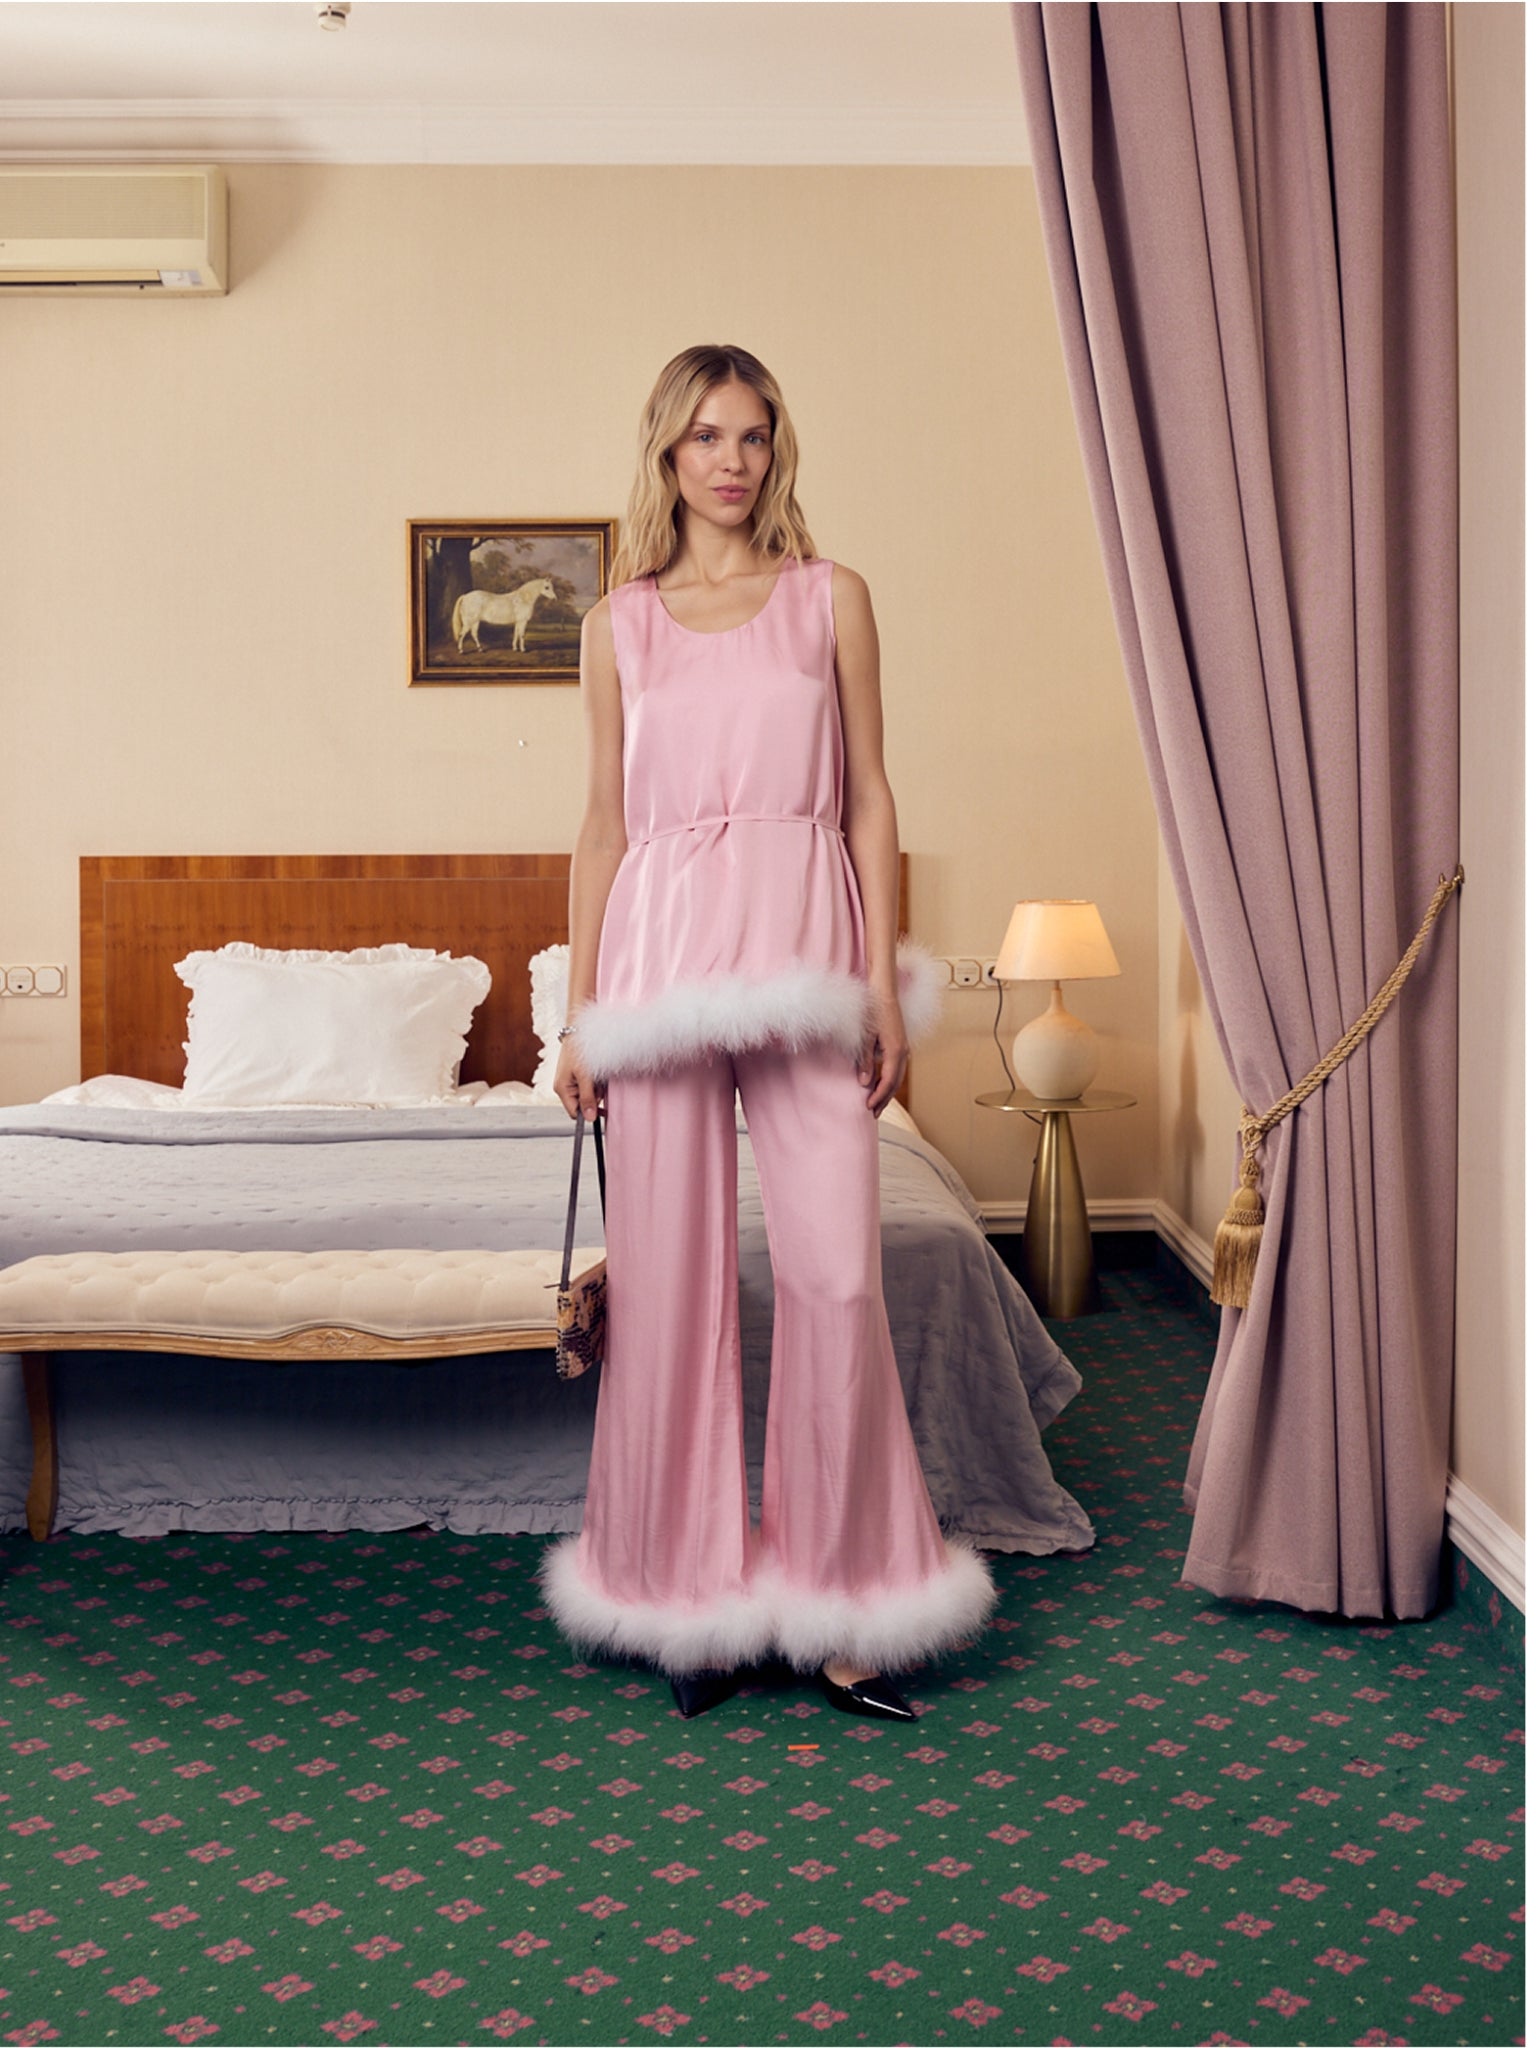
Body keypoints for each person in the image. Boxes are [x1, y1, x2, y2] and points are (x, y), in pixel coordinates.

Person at [540, 343, 996, 1720]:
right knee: (668, 1297)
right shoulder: (615, 623)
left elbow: (869, 801)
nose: (730, 460)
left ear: (772, 450)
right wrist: (581, 1017)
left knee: (838, 1285)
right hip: (661, 979)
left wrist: (876, 982)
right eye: (704, 437)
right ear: (666, 455)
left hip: (806, 969)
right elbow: (605, 827)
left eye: (752, 435)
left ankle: (846, 1601)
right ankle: (694, 1604)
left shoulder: (831, 600)